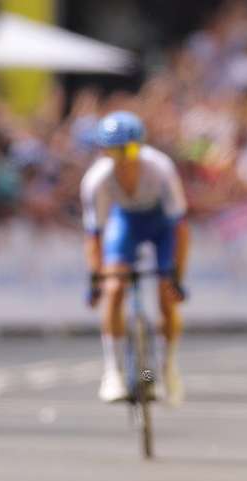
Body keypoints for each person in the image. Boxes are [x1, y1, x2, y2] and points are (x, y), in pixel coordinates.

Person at [81, 111, 189, 406]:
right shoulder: (96, 180)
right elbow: (95, 236)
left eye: (129, 150)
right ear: (104, 152)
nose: (124, 159)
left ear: (140, 146)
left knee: (166, 295)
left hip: (160, 226)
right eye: (115, 151)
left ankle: (165, 368)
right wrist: (96, 279)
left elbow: (180, 228)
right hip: (125, 224)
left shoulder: (161, 169)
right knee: (115, 289)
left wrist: (176, 275)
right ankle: (113, 370)